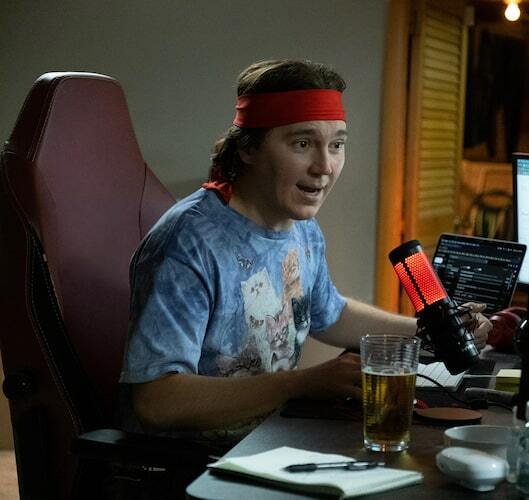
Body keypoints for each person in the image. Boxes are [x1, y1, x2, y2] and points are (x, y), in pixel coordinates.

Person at [118, 59, 490, 446]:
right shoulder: (188, 242)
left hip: (271, 441)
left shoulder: (301, 227)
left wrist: (432, 332)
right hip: (191, 464)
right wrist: (300, 383)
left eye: (337, 145)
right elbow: (156, 402)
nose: (324, 166)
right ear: (247, 148)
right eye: (302, 143)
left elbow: (329, 313)